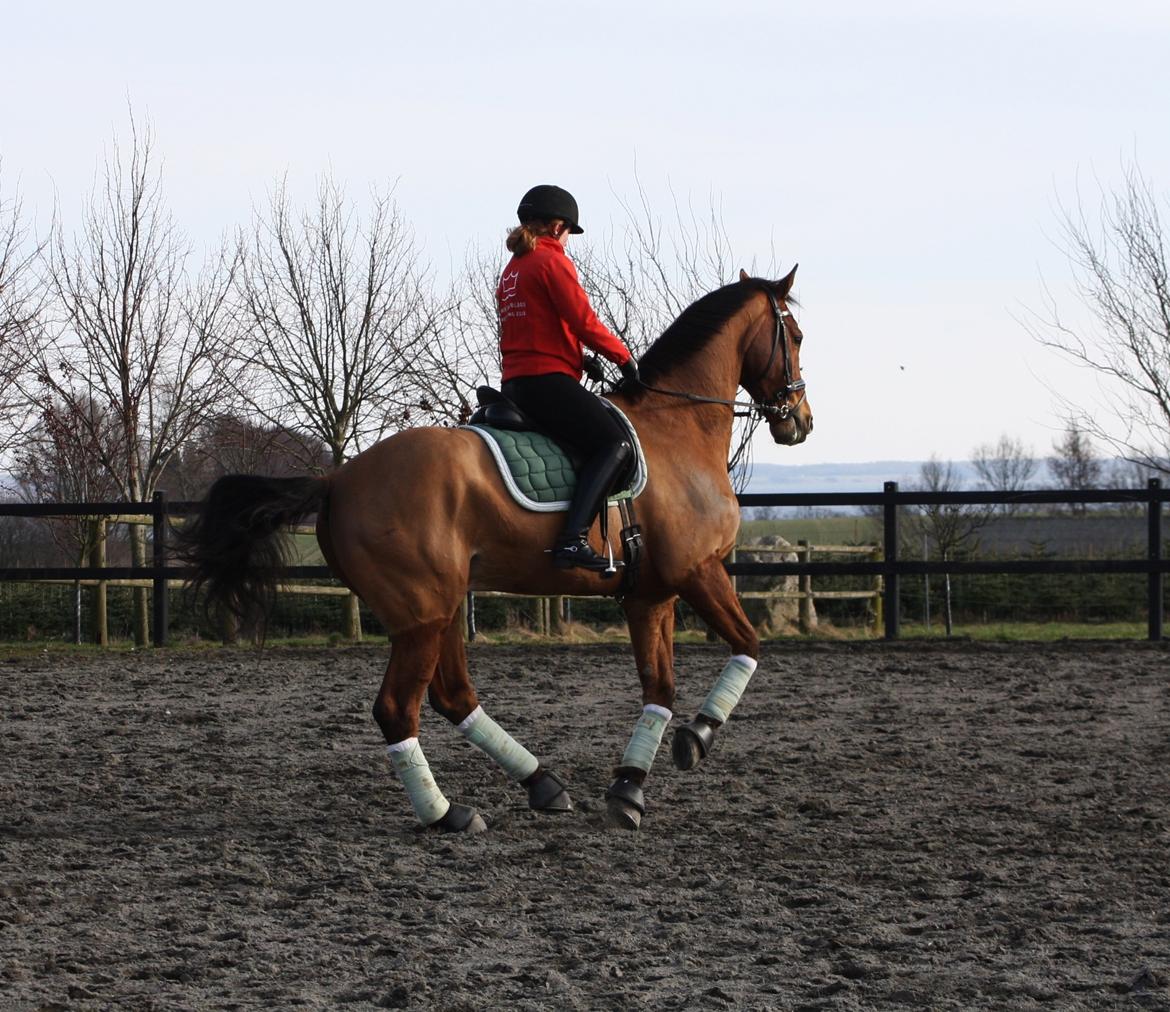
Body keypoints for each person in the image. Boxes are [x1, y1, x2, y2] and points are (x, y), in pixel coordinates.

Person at [497, 184, 640, 573]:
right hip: (546, 381)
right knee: (615, 444)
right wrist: (623, 358)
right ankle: (572, 539)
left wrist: (579, 358)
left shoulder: (513, 270)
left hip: (516, 382)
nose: (568, 241)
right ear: (558, 226)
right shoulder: (551, 261)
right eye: (568, 233)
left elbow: (537, 327)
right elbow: (583, 320)